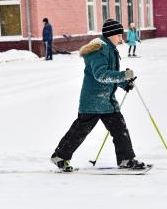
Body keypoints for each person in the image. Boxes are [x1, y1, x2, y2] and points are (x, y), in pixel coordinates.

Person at [50, 19, 146, 172]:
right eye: (119, 35)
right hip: (93, 101)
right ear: (110, 34)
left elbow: (109, 76)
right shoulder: (98, 50)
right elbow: (100, 75)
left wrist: (124, 83)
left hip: (107, 101)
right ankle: (60, 156)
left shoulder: (110, 49)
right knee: (80, 131)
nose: (121, 39)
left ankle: (126, 159)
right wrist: (123, 76)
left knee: (120, 129)